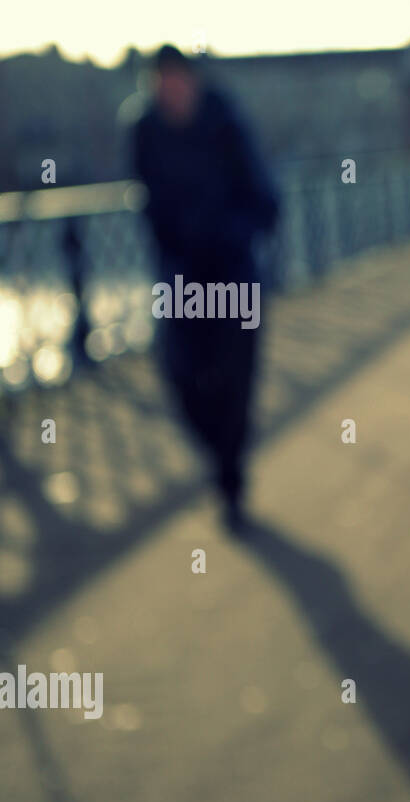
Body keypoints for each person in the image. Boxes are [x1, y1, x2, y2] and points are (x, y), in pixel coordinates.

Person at [132, 44, 280, 530]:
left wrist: (225, 235)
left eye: (177, 79)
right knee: (180, 377)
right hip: (180, 279)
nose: (169, 90)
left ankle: (231, 483)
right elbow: (146, 200)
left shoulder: (228, 124)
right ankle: (220, 458)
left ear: (192, 81)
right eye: (161, 81)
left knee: (234, 385)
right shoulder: (142, 128)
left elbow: (266, 202)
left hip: (233, 276)